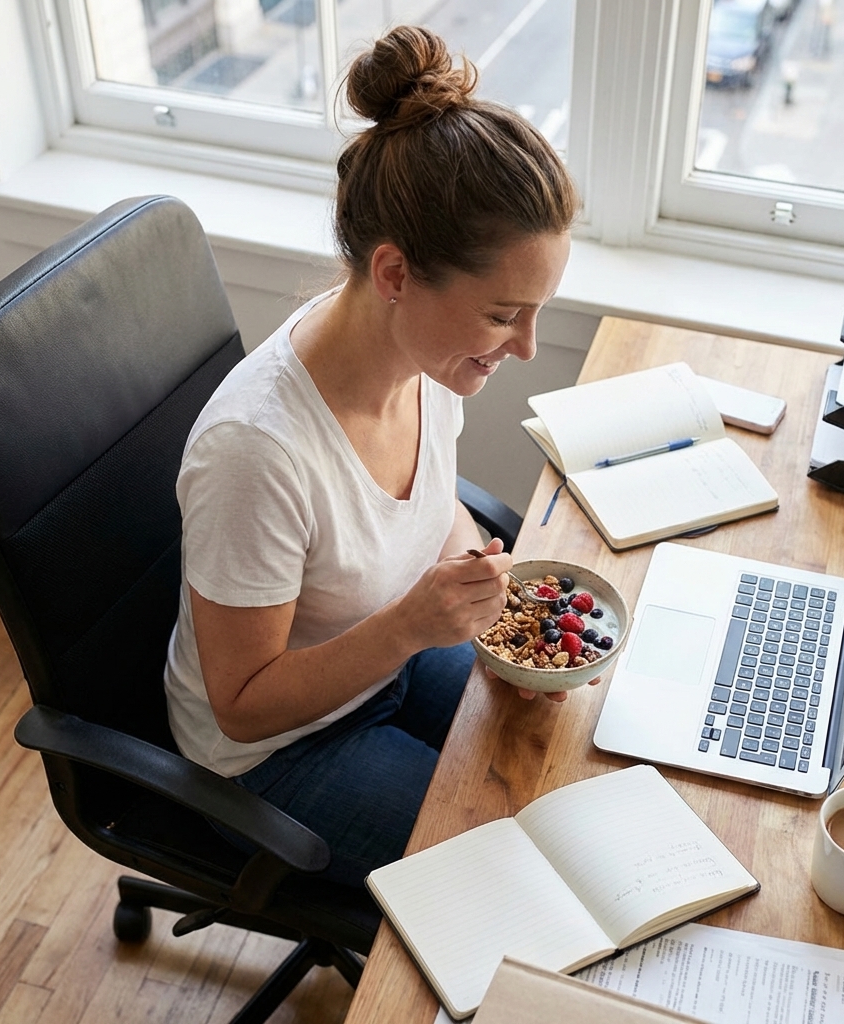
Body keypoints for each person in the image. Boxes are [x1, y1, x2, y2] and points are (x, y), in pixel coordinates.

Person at [163, 25, 580, 887]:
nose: (528, 347)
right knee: (511, 876)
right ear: (394, 274)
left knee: (562, 766)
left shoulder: (428, 361)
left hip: (386, 656)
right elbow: (240, 709)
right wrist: (410, 629)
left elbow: (430, 516)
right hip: (276, 751)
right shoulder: (258, 452)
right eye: (505, 315)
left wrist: (492, 601)